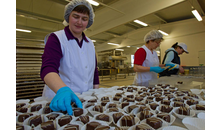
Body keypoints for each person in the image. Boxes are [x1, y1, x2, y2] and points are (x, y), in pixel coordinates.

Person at [40, 0, 99, 115]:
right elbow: (48, 68)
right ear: (68, 17)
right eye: (75, 17)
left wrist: (96, 94)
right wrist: (62, 90)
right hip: (59, 100)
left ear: (89, 21)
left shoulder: (90, 43)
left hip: (84, 100)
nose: (79, 22)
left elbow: (94, 72)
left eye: (84, 19)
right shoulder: (57, 38)